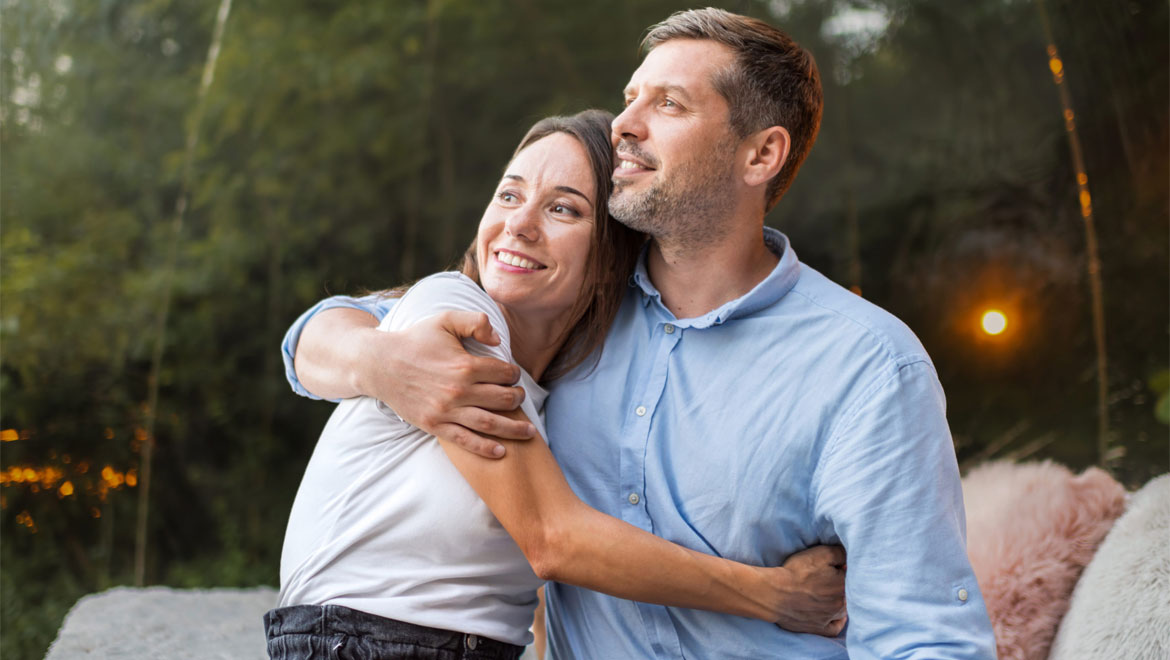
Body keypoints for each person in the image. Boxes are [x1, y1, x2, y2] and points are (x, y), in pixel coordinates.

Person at [282, 9, 998, 659]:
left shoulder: (868, 367)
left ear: (761, 156)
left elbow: (925, 637)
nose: (627, 122)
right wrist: (378, 362)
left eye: (669, 104)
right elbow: (325, 333)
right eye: (631, 97)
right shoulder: (561, 311)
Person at [267, 110, 847, 660]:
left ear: (612, 252)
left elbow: (535, 567)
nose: (518, 224)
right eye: (509, 194)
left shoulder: (568, 383)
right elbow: (552, 538)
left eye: (563, 210)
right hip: (365, 640)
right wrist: (773, 594)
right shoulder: (456, 313)